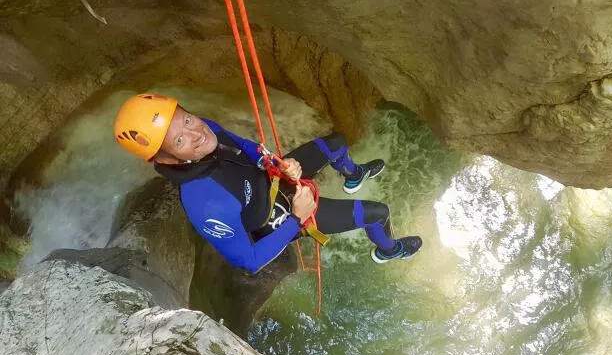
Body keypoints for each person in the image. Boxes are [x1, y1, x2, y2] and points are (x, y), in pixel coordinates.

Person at [114, 93, 422, 273]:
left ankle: (353, 174)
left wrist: (274, 162)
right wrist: (298, 220)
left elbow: (244, 147)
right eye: (180, 139)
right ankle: (389, 250)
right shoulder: (203, 202)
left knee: (337, 143)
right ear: (166, 160)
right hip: (279, 219)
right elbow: (249, 260)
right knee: (378, 213)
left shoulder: (205, 129)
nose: (197, 133)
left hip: (275, 178)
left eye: (186, 120)